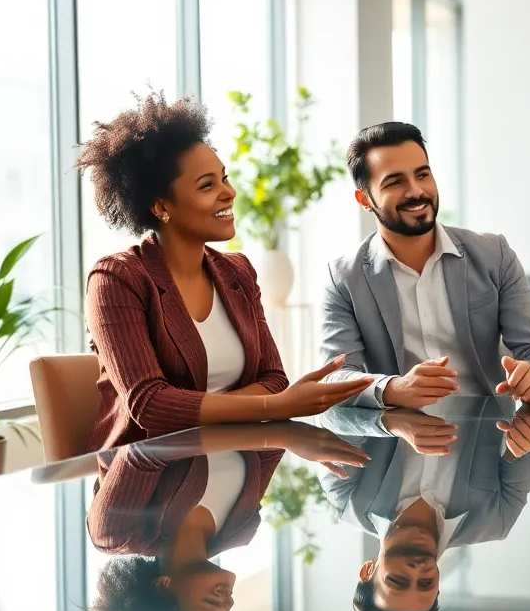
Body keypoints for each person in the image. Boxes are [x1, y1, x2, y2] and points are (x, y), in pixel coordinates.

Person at [77, 92, 373, 450]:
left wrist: (268, 400)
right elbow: (150, 405)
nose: (228, 193)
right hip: (146, 482)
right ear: (160, 206)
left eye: (224, 178)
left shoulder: (238, 272)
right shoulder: (117, 279)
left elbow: (274, 377)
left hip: (234, 462)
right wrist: (270, 406)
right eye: (207, 185)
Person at [319, 122, 530, 409]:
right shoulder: (343, 277)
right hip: (397, 437)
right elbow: (333, 376)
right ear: (365, 199)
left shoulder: (494, 254)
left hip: (492, 436)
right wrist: (392, 388)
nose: (416, 191)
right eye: (395, 182)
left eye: (422, 175)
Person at [85, 422, 368, 611]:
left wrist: (273, 433)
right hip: (242, 389)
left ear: (164, 585)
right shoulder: (240, 529)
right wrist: (272, 427)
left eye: (211, 601)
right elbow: (270, 449)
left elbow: (143, 450)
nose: (227, 596)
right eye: (228, 604)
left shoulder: (116, 534)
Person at [318, 396, 530, 611]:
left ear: (367, 570)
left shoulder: (347, 497)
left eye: (398, 580)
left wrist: (390, 421)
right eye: (425, 584)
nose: (417, 570)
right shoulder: (494, 519)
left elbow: (330, 412)